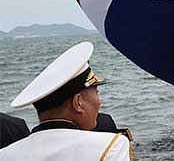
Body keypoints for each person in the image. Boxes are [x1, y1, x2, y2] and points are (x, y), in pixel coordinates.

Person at [0, 42, 132, 160]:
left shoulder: (5, 155)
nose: (99, 103)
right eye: (96, 93)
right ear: (78, 102)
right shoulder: (110, 146)